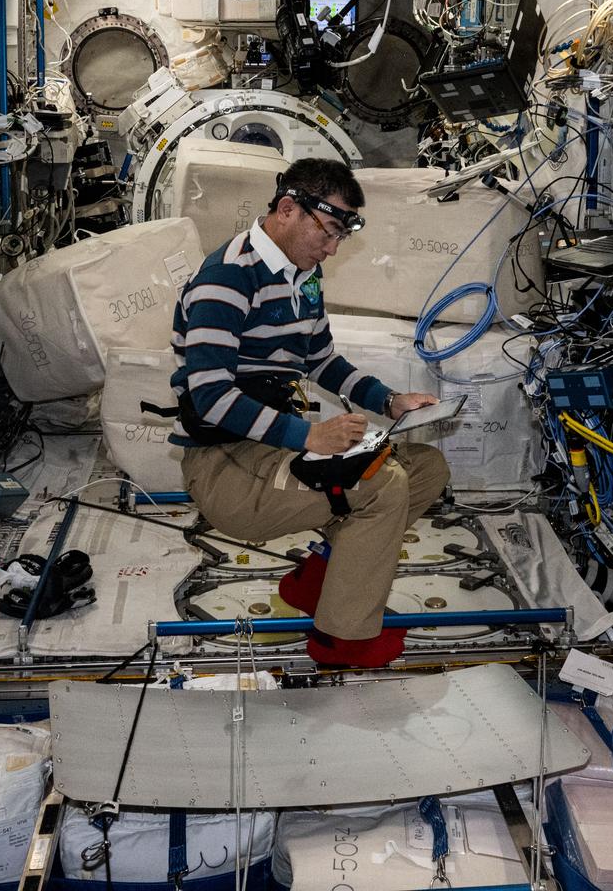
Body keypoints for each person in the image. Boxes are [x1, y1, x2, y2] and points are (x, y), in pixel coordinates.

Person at [170, 158, 451, 668]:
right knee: (382, 486)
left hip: (269, 444)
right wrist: (309, 437)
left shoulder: (303, 275)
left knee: (426, 468)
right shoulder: (228, 277)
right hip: (225, 460)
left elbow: (319, 359)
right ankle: (341, 640)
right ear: (287, 209)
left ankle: (321, 581)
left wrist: (388, 400)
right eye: (329, 232)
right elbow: (209, 394)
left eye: (341, 235)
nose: (333, 248)